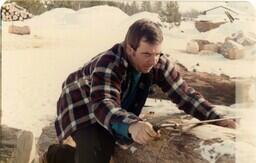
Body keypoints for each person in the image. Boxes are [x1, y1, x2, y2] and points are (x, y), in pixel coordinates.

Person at [54, 19, 236, 163]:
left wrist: (217, 118)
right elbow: (103, 104)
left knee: (114, 142)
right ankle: (57, 155)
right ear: (129, 49)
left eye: (157, 53)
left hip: (111, 105)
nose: (153, 60)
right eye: (147, 54)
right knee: (97, 150)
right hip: (80, 104)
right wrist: (131, 125)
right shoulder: (109, 63)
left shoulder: (158, 62)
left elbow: (185, 95)